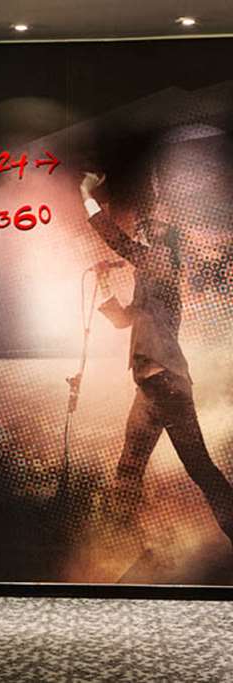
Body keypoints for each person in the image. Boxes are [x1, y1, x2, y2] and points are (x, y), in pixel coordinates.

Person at [80, 171, 233, 547]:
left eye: (150, 228)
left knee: (198, 467)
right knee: (130, 466)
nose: (144, 230)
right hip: (152, 386)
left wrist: (86, 196)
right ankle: (120, 542)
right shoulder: (150, 277)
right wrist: (104, 283)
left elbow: (119, 243)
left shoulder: (163, 262)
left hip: (166, 384)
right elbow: (124, 320)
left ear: (163, 237)